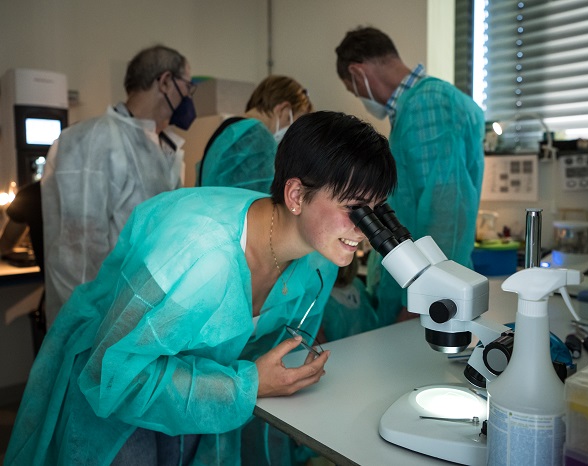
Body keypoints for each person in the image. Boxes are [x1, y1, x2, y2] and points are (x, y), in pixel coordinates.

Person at [5, 110, 397, 466]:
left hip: (199, 405)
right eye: (355, 209)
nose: (366, 230)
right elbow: (114, 376)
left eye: (375, 210)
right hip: (113, 401)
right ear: (296, 196)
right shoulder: (199, 256)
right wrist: (247, 385)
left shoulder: (319, 257)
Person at [335, 26, 485, 324]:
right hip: (423, 282)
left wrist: (426, 298)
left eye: (353, 89)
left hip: (427, 293)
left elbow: (446, 210)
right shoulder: (421, 104)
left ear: (358, 72)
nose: (358, 96)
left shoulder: (427, 106)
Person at [41, 44, 196, 327]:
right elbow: (77, 257)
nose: (189, 97)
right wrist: (89, 329)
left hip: (140, 314)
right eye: (187, 86)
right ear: (164, 82)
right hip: (99, 322)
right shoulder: (91, 140)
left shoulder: (164, 147)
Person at [196, 75, 313, 192]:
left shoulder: (230, 129)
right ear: (283, 109)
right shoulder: (258, 136)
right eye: (293, 120)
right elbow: (260, 201)